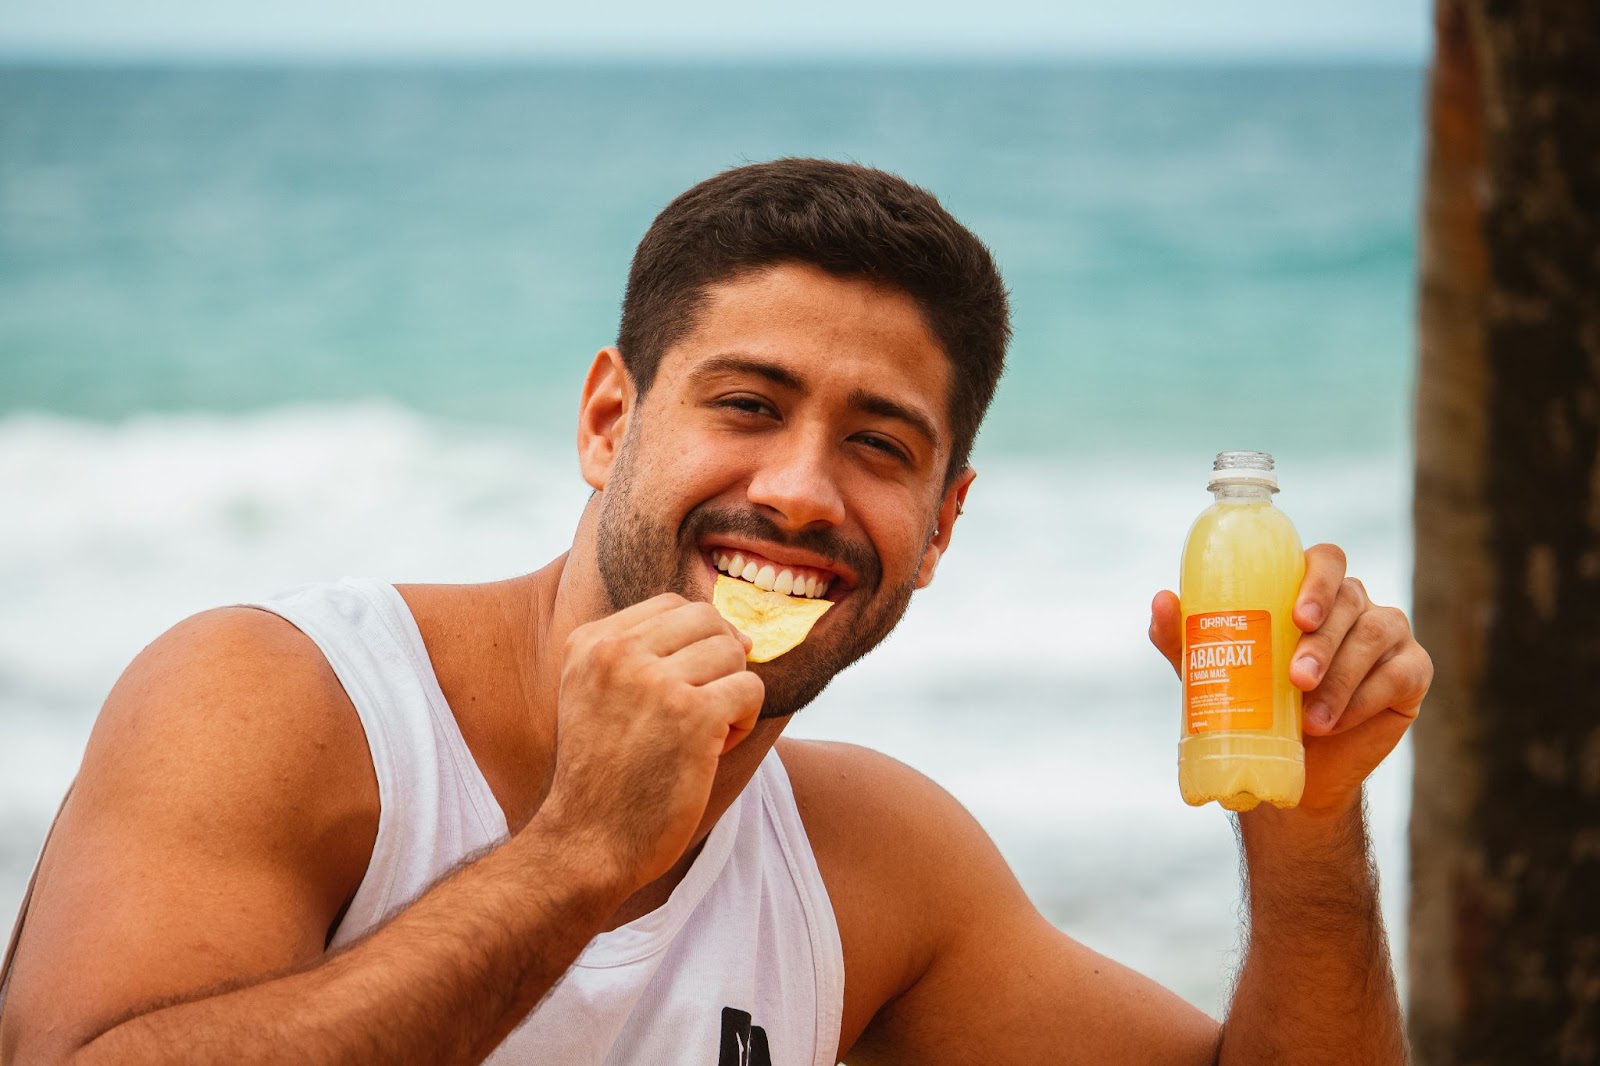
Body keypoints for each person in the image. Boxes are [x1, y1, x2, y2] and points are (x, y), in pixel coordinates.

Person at [0, 158, 1431, 1065]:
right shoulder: (281, 700)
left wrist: (1301, 828)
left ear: (940, 527)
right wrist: (574, 859)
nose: (803, 492)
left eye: (880, 444)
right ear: (608, 421)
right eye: (747, 406)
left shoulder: (873, 866)